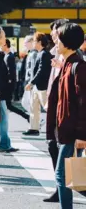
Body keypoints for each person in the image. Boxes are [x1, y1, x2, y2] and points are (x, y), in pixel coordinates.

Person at [46, 23, 86, 209]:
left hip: (72, 131)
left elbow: (83, 103)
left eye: (59, 39)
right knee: (71, 176)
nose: (56, 43)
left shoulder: (78, 66)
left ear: (67, 42)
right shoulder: (68, 64)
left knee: (63, 175)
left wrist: (81, 134)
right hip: (65, 129)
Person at [44, 18, 70, 203]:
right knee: (53, 147)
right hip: (54, 108)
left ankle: (63, 187)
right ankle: (60, 187)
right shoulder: (54, 52)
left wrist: (62, 68)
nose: (53, 36)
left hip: (64, 112)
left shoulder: (70, 56)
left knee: (60, 150)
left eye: (55, 32)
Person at [24, 32, 52, 136]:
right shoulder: (41, 53)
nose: (33, 43)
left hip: (42, 86)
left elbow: (41, 71)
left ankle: (54, 127)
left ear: (39, 42)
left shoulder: (44, 54)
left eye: (34, 41)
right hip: (38, 86)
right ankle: (34, 128)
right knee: (33, 106)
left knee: (47, 107)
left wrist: (31, 83)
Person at [2, 39, 30, 121]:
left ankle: (26, 116)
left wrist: (9, 85)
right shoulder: (8, 56)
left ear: (6, 45)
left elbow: (11, 73)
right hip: (9, 85)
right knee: (7, 105)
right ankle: (26, 116)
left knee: (8, 105)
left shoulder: (9, 57)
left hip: (8, 85)